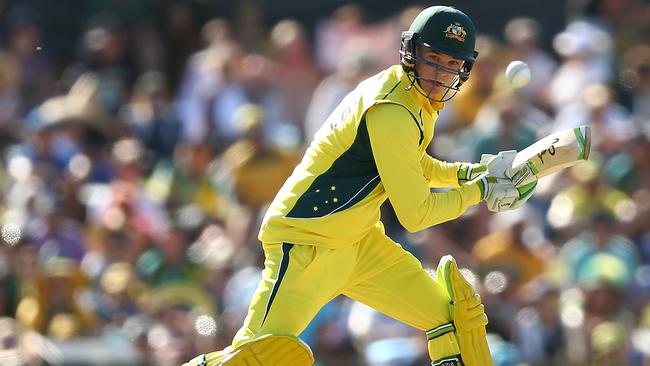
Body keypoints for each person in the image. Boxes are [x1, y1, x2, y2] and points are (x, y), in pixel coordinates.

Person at [183, 5, 534, 366]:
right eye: (433, 59)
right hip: (309, 243)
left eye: (451, 64)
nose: (440, 74)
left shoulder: (411, 98)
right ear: (411, 53)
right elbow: (417, 214)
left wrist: (470, 172)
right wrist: (482, 191)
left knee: (456, 323)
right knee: (254, 359)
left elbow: (412, 163)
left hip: (361, 244)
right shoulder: (393, 111)